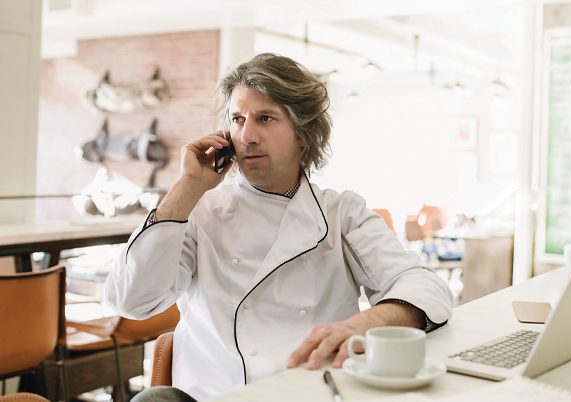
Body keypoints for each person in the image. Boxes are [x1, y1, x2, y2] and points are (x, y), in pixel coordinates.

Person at [105, 53, 453, 402]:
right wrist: (187, 187)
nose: (246, 135)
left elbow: (425, 287)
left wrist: (364, 324)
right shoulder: (198, 211)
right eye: (237, 119)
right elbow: (131, 301)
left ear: (303, 134)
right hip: (213, 394)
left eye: (265, 118)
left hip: (311, 393)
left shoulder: (340, 213)